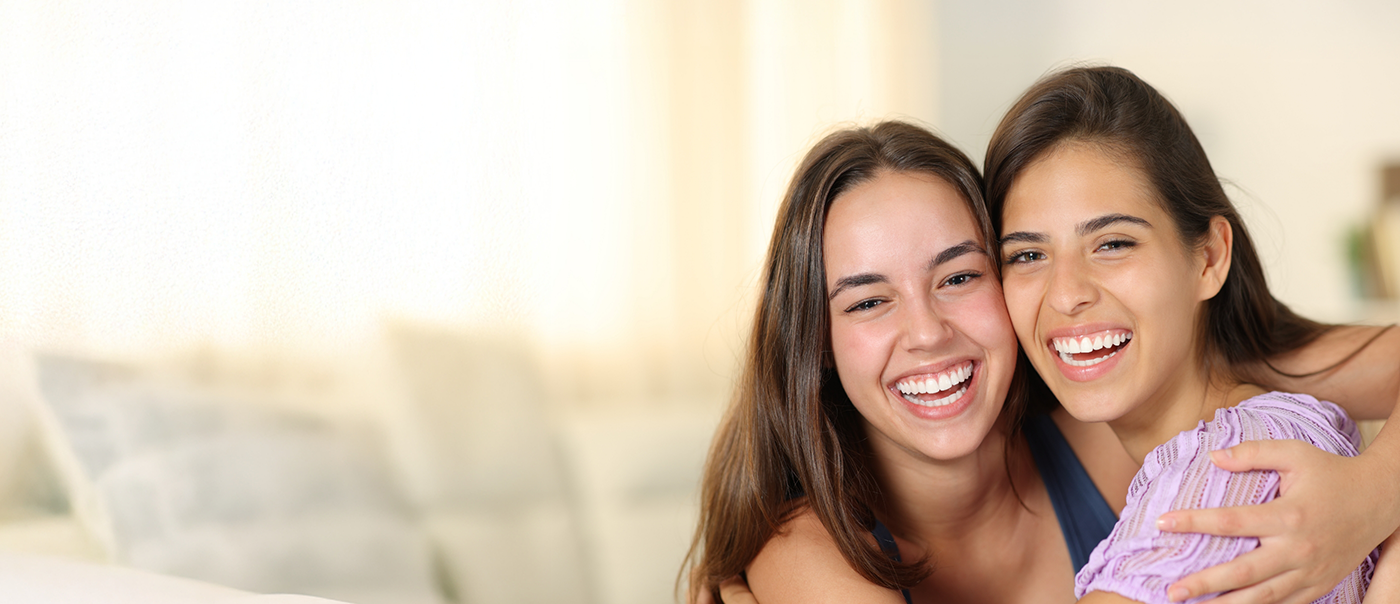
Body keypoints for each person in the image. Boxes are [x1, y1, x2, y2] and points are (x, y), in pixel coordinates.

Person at [682, 120, 1400, 603]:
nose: (927, 333)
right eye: (868, 302)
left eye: (960, 276)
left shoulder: (1121, 429)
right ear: (818, 346)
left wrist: (1374, 495)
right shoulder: (806, 554)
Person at [984, 65, 1397, 602]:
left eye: (1113, 243)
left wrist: (1379, 489)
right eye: (1029, 254)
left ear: (1209, 257)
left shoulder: (1230, 473)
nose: (1066, 294)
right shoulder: (1271, 419)